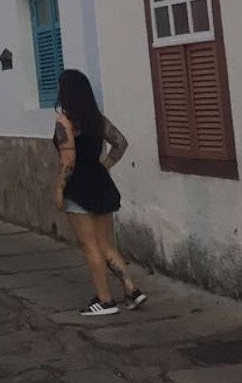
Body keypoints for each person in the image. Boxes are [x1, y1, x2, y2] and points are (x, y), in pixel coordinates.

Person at [52, 68, 147, 316]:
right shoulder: (97, 119)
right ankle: (131, 289)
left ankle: (104, 300)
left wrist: (59, 189)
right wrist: (103, 166)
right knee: (106, 243)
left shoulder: (65, 122)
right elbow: (121, 143)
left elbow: (68, 159)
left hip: (79, 187)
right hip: (101, 184)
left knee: (90, 245)